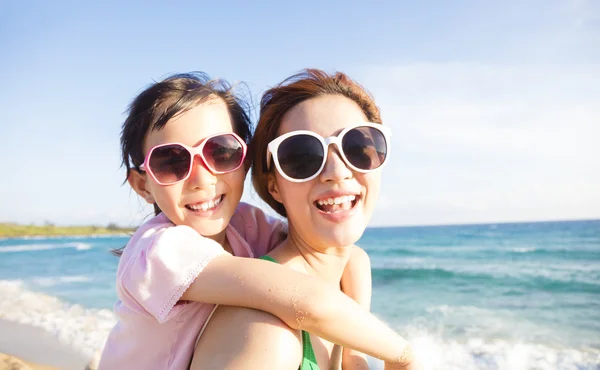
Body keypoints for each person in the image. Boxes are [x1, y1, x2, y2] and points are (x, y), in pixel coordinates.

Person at [98, 72, 418, 370]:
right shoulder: (159, 250)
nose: (201, 179)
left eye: (221, 152)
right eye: (171, 161)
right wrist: (401, 355)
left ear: (245, 162)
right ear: (143, 184)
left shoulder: (246, 225)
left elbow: (345, 255)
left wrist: (353, 355)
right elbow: (306, 301)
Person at [191, 69, 422, 370]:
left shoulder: (346, 279)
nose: (337, 171)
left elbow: (355, 259)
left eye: (358, 148)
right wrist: (403, 356)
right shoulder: (266, 334)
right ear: (273, 184)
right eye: (301, 157)